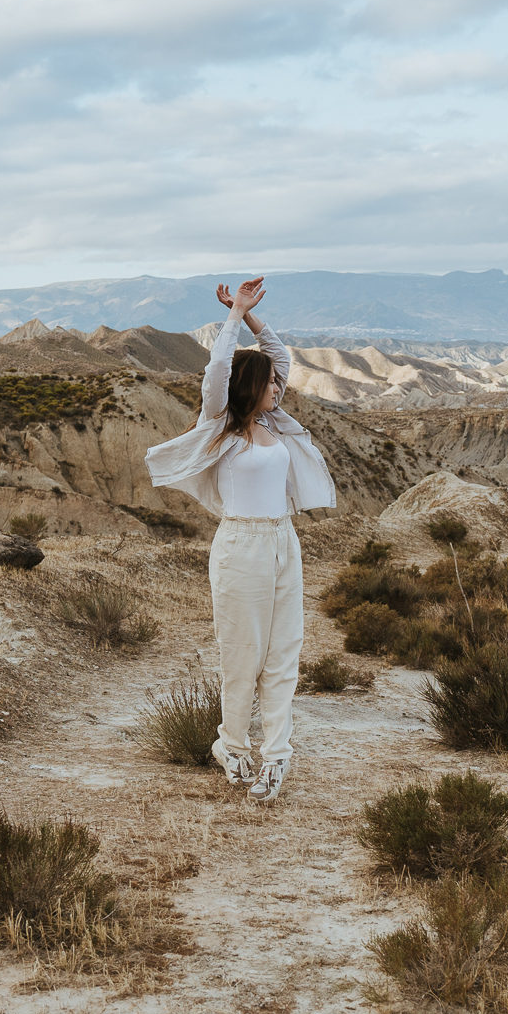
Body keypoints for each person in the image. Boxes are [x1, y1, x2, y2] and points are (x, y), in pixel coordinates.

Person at [144, 276, 337, 801]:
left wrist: (249, 311)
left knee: (283, 655)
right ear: (251, 385)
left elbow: (278, 352)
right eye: (271, 382)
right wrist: (231, 321)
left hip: (282, 542)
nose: (279, 387)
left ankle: (276, 757)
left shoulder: (274, 421)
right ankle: (231, 745)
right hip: (240, 546)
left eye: (279, 383)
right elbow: (216, 370)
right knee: (243, 655)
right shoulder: (221, 424)